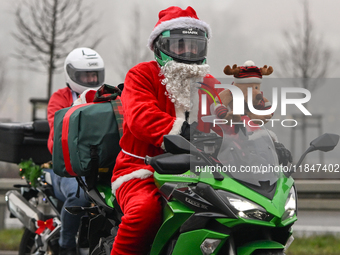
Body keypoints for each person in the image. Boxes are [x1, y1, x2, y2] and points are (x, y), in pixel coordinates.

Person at [110, 6, 213, 255]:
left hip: (200, 173)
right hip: (142, 170)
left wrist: (260, 140)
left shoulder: (209, 84)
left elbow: (229, 121)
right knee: (144, 212)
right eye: (180, 45)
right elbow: (140, 116)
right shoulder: (141, 75)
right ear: (159, 46)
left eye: (195, 46)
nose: (188, 52)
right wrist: (182, 131)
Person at [47, 47, 105, 255]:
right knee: (79, 196)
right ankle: (66, 245)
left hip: (99, 165)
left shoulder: (106, 96)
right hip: (66, 167)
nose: (90, 79)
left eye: (94, 75)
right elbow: (57, 136)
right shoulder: (60, 98)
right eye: (85, 75)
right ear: (71, 74)